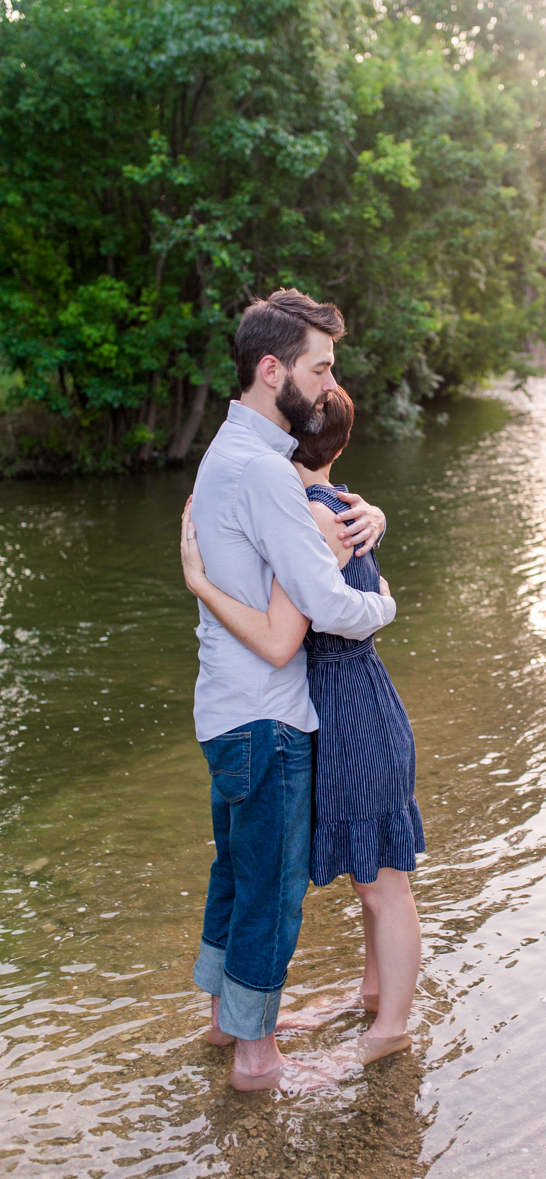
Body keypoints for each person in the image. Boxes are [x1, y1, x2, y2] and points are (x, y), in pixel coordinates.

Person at [187, 289, 396, 1093]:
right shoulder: (266, 475)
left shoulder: (223, 457)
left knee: (235, 872)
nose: (327, 382)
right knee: (271, 888)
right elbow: (330, 607)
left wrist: (363, 513)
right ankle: (258, 1058)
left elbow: (300, 554)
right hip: (268, 717)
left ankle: (228, 1019)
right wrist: (386, 605)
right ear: (273, 370)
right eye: (321, 368)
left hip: (225, 708)